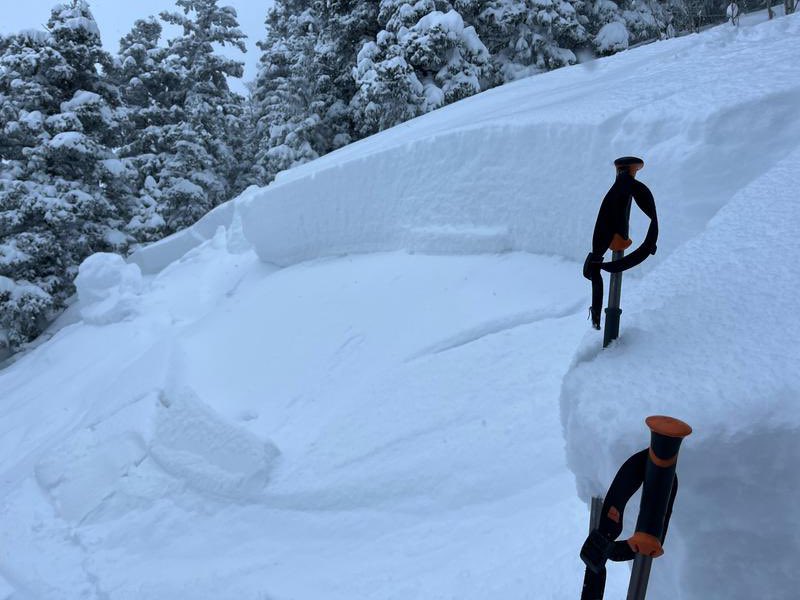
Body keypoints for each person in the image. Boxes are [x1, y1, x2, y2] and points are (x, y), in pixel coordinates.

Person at [583, 157, 658, 330]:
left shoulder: (622, 189)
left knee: (621, 195)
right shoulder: (624, 189)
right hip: (616, 237)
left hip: (615, 237)